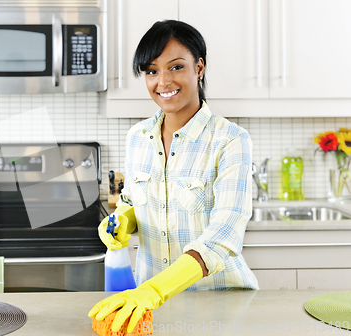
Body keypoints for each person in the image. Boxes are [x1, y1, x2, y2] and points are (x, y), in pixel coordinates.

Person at [88, 20, 258, 333]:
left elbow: (223, 234)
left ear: (199, 68)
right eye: (151, 71)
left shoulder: (230, 139)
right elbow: (131, 200)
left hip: (220, 303)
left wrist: (155, 290)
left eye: (176, 67)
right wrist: (124, 221)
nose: (163, 81)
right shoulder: (137, 137)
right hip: (150, 308)